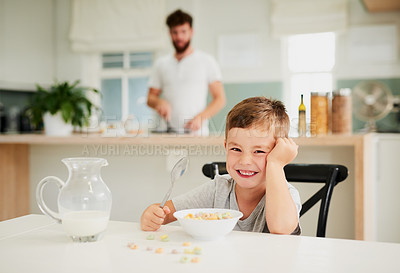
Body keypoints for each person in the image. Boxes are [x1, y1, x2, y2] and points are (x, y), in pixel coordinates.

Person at [141, 96, 301, 235]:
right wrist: (153, 216)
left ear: (277, 151)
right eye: (236, 149)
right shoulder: (219, 189)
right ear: (226, 147)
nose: (245, 161)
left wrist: (276, 164)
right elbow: (167, 212)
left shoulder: (287, 194)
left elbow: (281, 228)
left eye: (259, 151)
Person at [147, 9, 225, 135]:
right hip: (167, 133)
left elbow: (220, 99)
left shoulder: (206, 61)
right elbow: (150, 98)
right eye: (175, 32)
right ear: (169, 33)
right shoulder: (161, 64)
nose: (179, 37)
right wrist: (159, 102)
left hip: (196, 134)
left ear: (191, 32)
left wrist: (201, 117)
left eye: (183, 31)